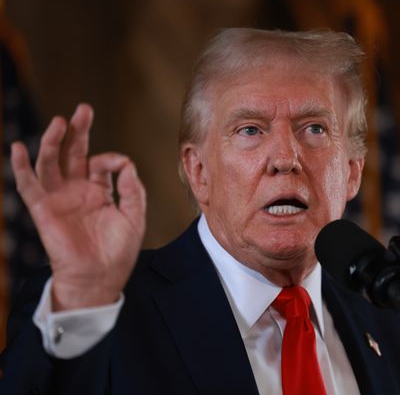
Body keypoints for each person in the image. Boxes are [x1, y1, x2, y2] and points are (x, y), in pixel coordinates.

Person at [1, 28, 400, 395]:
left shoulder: (386, 316)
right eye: (250, 130)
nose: (284, 157)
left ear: (352, 173)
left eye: (314, 128)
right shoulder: (103, 310)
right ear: (198, 171)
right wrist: (80, 304)